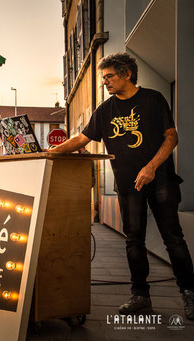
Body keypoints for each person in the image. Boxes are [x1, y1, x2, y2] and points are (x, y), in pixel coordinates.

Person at [49, 52, 194, 319]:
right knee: (133, 240)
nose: (105, 82)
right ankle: (140, 296)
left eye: (109, 76)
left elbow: (171, 138)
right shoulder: (105, 110)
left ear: (127, 73)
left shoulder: (152, 99)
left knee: (173, 239)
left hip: (161, 181)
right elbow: (81, 139)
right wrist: (51, 152)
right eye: (103, 78)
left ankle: (189, 294)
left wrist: (151, 167)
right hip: (128, 186)